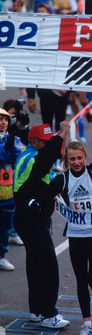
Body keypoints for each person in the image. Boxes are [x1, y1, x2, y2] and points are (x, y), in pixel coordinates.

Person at [42, 106, 92, 335]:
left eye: (79, 158)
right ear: (66, 160)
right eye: (72, 159)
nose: (76, 162)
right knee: (81, 280)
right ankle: (86, 325)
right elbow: (44, 195)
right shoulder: (61, 179)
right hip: (76, 235)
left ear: (85, 158)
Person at [13, 121, 70, 328]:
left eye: (48, 141)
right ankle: (48, 314)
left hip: (27, 218)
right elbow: (48, 158)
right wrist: (63, 132)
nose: (47, 146)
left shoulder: (29, 157)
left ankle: (36, 310)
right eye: (44, 142)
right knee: (47, 267)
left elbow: (47, 175)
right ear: (34, 141)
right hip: (32, 220)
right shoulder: (33, 159)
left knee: (35, 266)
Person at [0, 107, 24, 271]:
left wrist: (12, 146)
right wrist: (5, 150)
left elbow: (20, 156)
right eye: (0, 119)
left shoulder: (13, 138)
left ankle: (1, 256)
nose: (3, 122)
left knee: (5, 226)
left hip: (8, 191)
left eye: (6, 120)